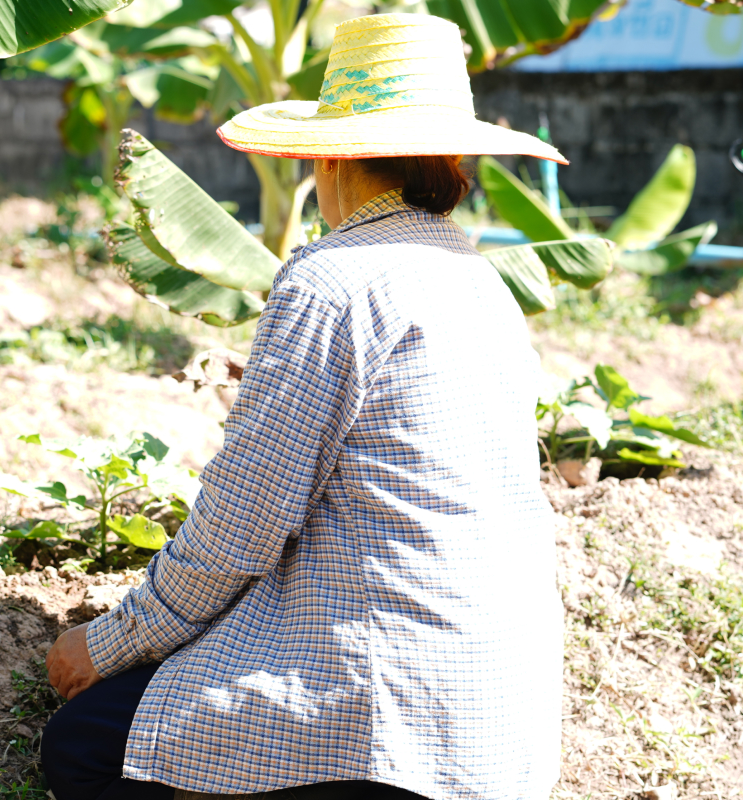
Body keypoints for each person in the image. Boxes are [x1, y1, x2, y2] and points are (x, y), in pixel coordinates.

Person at [41, 13, 565, 800]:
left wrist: (115, 640)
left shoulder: (332, 279)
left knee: (84, 747)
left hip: (391, 712)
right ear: (450, 159)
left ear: (331, 156)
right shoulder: (481, 280)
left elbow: (243, 521)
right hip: (504, 726)